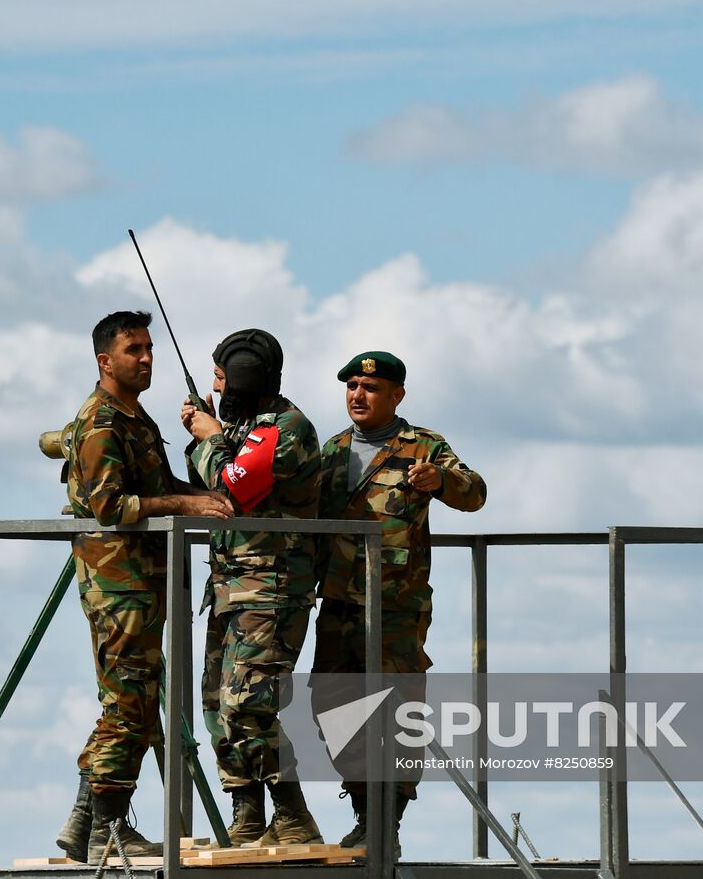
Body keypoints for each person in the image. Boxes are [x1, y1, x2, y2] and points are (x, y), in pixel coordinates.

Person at [56, 310, 234, 863]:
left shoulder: (135, 418)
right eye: (134, 350)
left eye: (149, 348)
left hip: (142, 580)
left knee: (133, 698)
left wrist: (204, 493)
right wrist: (185, 503)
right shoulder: (101, 422)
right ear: (105, 362)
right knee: (128, 703)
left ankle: (87, 822)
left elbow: (157, 485)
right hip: (118, 583)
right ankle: (106, 830)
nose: (147, 358)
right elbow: (111, 506)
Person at [311, 351, 486, 854]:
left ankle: (389, 818)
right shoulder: (333, 450)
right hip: (340, 603)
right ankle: (365, 810)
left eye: (369, 388)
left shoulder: (423, 446)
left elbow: (475, 493)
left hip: (396, 607)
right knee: (332, 707)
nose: (357, 395)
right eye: (351, 386)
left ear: (396, 395)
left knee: (399, 714)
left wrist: (441, 481)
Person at [180, 329, 324, 847]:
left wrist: (208, 437)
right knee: (218, 704)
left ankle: (292, 814)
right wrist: (206, 436)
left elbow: (232, 489)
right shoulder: (242, 428)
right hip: (230, 586)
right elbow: (203, 489)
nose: (216, 387)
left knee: (250, 703)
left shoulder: (285, 428)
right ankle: (247, 812)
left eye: (221, 377)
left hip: (271, 585)